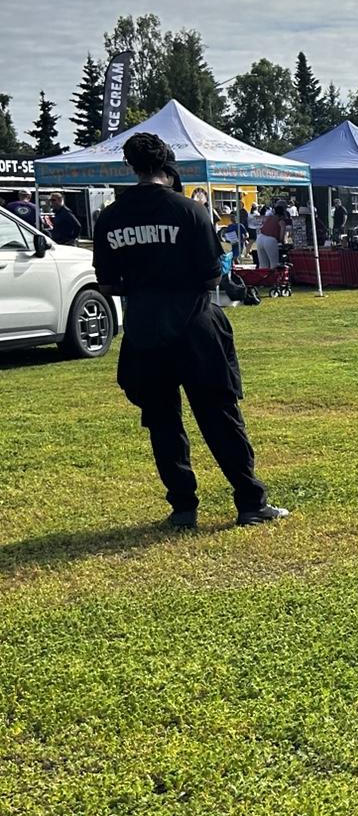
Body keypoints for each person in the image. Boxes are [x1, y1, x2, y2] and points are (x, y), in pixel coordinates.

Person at [91, 133, 287, 529]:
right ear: (167, 163)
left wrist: (142, 284)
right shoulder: (191, 211)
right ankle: (250, 502)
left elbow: (107, 283)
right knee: (220, 416)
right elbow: (213, 276)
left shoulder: (111, 217)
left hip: (145, 330)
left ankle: (183, 508)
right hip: (195, 326)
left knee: (162, 421)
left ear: (130, 165)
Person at [255, 202, 287, 269]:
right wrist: (283, 244)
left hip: (260, 238)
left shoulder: (269, 218)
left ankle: (263, 275)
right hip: (270, 240)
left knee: (263, 265)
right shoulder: (281, 221)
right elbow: (281, 238)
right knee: (274, 264)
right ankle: (273, 276)